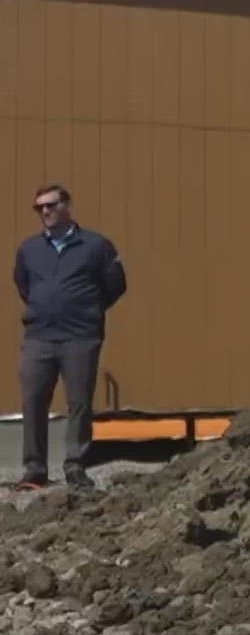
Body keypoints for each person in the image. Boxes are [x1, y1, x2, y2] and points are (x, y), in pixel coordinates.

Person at [13, 185, 124, 491]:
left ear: (67, 205)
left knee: (78, 403)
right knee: (33, 401)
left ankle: (75, 467)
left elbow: (115, 285)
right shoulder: (29, 250)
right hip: (39, 337)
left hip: (80, 337)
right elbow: (24, 286)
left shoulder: (96, 245)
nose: (45, 212)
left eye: (50, 205)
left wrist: (87, 310)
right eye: (39, 208)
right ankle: (34, 471)